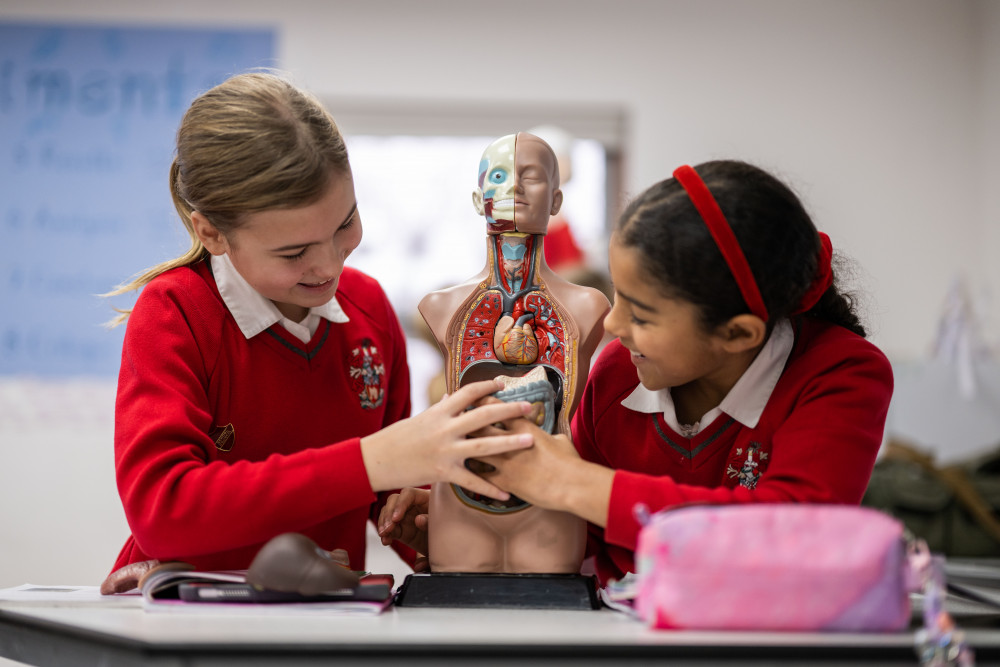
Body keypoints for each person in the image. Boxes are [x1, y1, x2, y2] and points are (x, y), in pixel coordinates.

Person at [99, 72, 535, 592]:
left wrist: (422, 514)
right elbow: (164, 511)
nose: (328, 266)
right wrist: (369, 463)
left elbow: (379, 485)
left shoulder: (368, 309)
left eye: (345, 224)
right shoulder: (176, 311)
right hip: (187, 620)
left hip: (325, 615)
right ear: (212, 232)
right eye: (293, 253)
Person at [381, 159, 893, 586]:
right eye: (619, 297)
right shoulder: (619, 373)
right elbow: (589, 536)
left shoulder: (843, 375)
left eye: (642, 315)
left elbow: (794, 538)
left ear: (737, 334)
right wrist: (484, 516)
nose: (612, 324)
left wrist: (573, 483)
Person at [396, 132, 609, 573]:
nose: (513, 188)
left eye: (529, 177)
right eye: (499, 176)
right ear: (478, 200)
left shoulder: (589, 307)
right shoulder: (441, 307)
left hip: (552, 499)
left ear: (555, 200)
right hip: (460, 498)